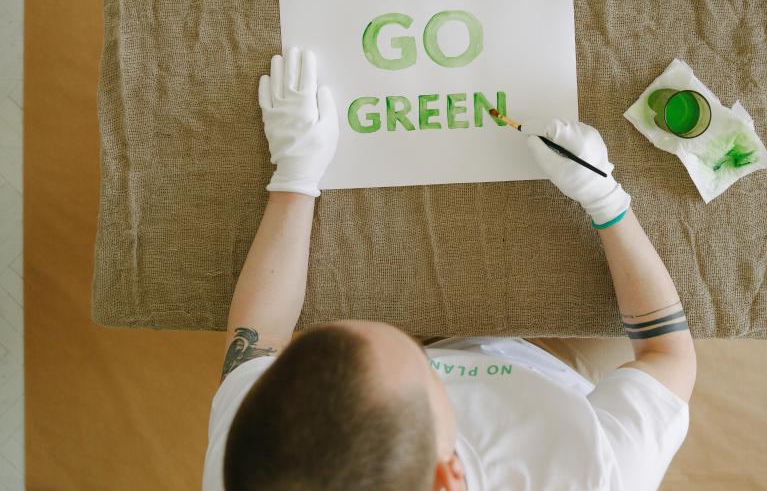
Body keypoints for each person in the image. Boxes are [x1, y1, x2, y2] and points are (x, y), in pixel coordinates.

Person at [202, 48, 697, 491]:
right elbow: (667, 355)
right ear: (447, 476)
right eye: (424, 371)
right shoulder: (596, 473)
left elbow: (257, 340)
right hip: (549, 364)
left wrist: (295, 175)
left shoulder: (261, 457)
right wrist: (606, 200)